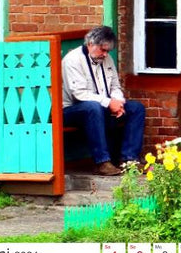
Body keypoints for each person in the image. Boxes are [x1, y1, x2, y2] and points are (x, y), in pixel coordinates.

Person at [62, 26, 145, 176]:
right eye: (102, 50)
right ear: (90, 44)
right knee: (93, 107)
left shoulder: (106, 59)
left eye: (108, 51)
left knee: (137, 108)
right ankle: (102, 162)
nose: (105, 54)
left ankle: (129, 160)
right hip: (71, 110)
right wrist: (109, 103)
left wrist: (118, 102)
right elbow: (79, 94)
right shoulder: (72, 60)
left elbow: (115, 86)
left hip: (101, 105)